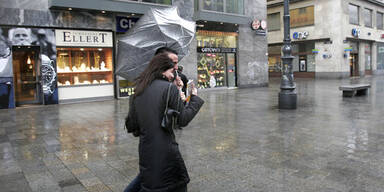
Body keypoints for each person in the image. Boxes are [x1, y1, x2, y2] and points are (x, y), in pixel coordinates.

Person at [124, 53, 204, 192]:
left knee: (149, 185)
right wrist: (194, 99)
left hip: (146, 151)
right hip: (166, 153)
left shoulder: (138, 90)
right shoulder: (168, 88)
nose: (173, 75)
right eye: (171, 71)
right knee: (175, 186)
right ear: (162, 70)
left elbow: (133, 127)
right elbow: (182, 120)